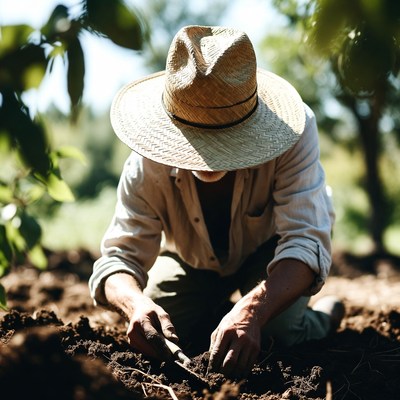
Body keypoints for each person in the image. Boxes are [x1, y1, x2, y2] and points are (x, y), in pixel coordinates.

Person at [89, 25, 344, 378]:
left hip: (271, 252)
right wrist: (135, 304)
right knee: (163, 328)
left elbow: (306, 240)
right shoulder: (146, 164)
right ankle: (218, 316)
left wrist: (253, 311)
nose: (209, 157)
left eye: (223, 138)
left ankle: (324, 317)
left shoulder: (294, 135)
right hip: (191, 259)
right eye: (197, 137)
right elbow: (118, 259)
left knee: (278, 334)